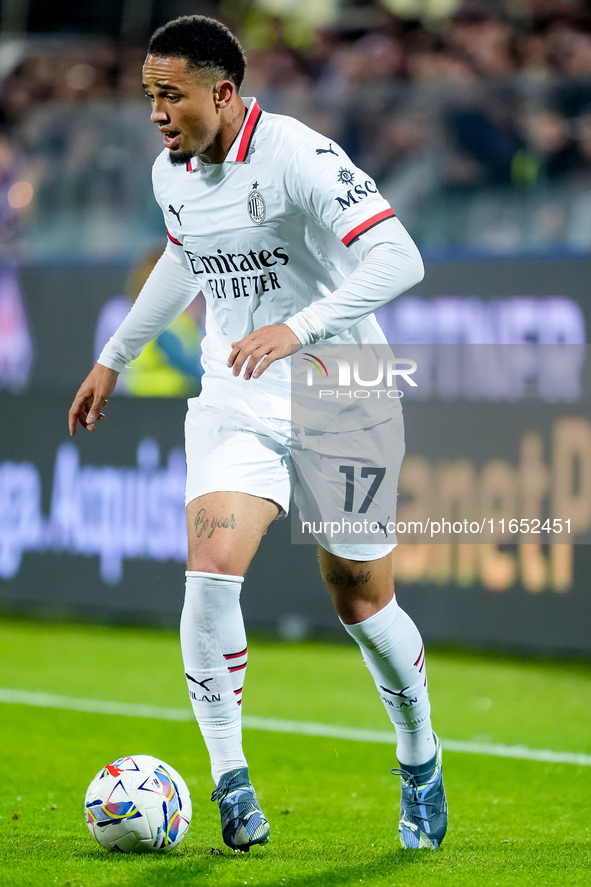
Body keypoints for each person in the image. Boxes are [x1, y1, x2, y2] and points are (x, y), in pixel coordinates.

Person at [68, 15, 447, 853]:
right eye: (148, 96)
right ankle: (230, 779)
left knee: (358, 591)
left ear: (223, 91)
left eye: (171, 95)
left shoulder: (298, 156)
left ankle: (419, 755)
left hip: (341, 393)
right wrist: (113, 358)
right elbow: (183, 257)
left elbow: (399, 257)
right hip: (235, 397)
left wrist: (300, 327)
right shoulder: (172, 176)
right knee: (209, 570)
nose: (158, 112)